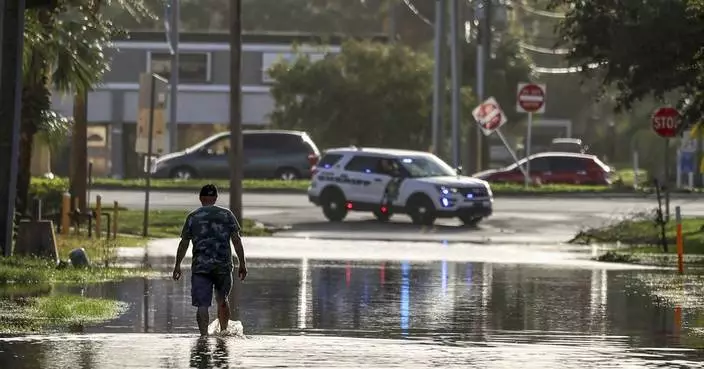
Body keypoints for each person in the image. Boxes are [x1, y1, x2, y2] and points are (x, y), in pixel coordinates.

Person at [172, 184, 248, 337]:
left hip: (201, 268)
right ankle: (223, 333)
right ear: (215, 198)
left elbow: (184, 243)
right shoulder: (227, 215)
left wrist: (177, 265)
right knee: (222, 300)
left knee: (202, 304)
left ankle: (203, 338)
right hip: (223, 266)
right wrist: (242, 263)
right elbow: (236, 240)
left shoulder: (193, 217)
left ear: (200, 198)